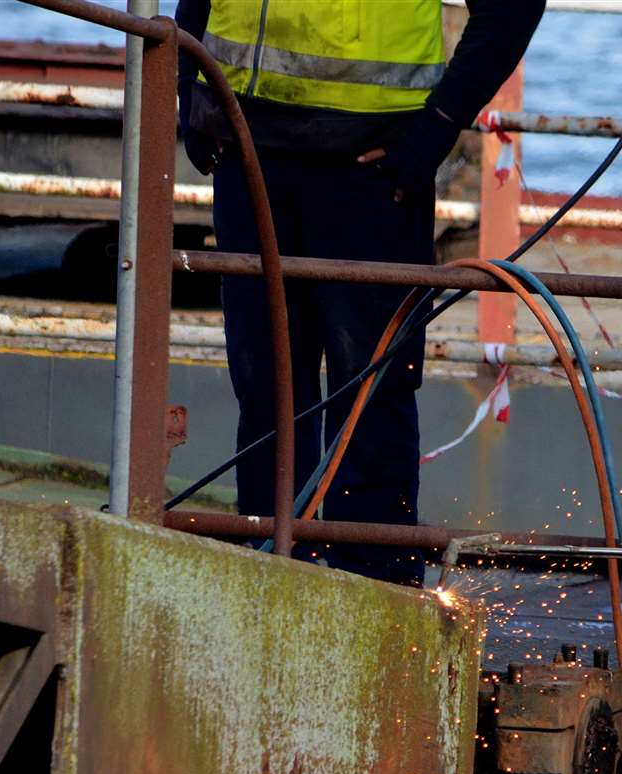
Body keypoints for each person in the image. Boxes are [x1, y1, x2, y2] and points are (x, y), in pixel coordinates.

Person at [177, 0, 545, 585]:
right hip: (248, 150)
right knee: (267, 389)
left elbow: (510, 9)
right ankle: (271, 578)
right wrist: (187, 84)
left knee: (370, 391)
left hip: (369, 169)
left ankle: (377, 592)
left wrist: (437, 126)